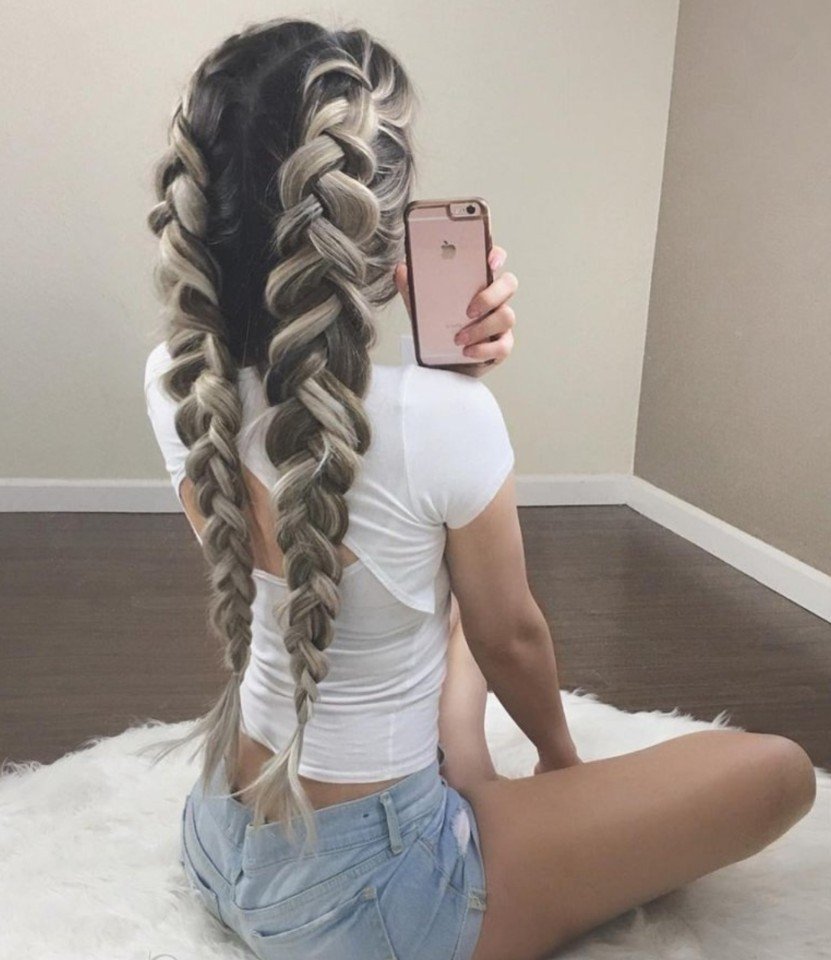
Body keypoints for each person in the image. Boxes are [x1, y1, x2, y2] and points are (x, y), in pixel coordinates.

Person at [140, 16, 817, 960]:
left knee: (440, 607)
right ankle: (489, 807)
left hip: (222, 832)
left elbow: (355, 534)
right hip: (372, 902)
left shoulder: (178, 380)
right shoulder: (437, 418)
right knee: (779, 772)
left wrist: (445, 396)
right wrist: (566, 773)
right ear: (377, 218)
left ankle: (470, 785)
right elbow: (515, 639)